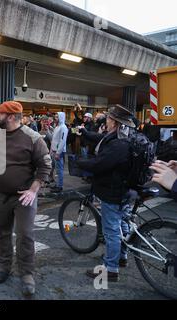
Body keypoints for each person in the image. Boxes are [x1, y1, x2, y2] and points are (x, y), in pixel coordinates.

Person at [0, 101, 52, 296]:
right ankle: (4, 267)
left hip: (24, 197)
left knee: (25, 235)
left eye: (0, 114)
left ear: (11, 117)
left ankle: (26, 274)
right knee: (2, 233)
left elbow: (45, 167)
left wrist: (33, 190)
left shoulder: (33, 138)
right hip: (0, 195)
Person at [77, 105, 136, 282]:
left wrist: (81, 163)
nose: (106, 121)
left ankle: (111, 268)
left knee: (111, 231)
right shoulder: (124, 137)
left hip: (113, 192)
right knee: (123, 224)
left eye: (109, 119)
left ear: (115, 122)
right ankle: (122, 257)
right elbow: (100, 138)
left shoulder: (119, 144)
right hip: (125, 190)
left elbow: (100, 165)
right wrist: (85, 133)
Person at [50, 112, 68, 193]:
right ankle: (57, 184)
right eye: (55, 116)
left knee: (59, 170)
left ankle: (59, 186)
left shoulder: (63, 127)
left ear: (61, 117)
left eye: (57, 117)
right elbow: (54, 139)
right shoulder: (57, 127)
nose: (55, 118)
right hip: (54, 151)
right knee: (57, 169)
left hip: (59, 152)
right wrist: (51, 150)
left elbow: (62, 141)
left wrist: (58, 152)